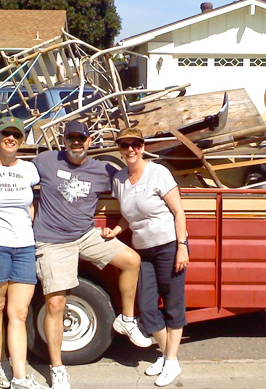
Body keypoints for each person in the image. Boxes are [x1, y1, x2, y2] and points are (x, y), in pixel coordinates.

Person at [32, 120, 152, 389]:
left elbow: (132, 188)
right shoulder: (45, 161)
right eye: (71, 138)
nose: (77, 143)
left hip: (86, 236)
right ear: (64, 141)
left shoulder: (104, 170)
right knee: (55, 304)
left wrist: (120, 225)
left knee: (132, 261)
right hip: (52, 241)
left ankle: (127, 320)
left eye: (81, 139)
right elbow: (15, 173)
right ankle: (57, 368)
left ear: (89, 142)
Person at [103, 128, 189, 387]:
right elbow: (128, 216)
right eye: (125, 145)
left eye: (135, 144)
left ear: (143, 146)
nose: (130, 149)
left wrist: (182, 246)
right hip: (144, 251)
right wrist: (116, 230)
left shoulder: (158, 173)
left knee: (173, 304)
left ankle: (171, 361)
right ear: (119, 148)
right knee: (147, 306)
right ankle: (167, 357)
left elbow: (179, 212)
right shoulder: (119, 179)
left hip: (168, 245)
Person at [0, 117, 42, 389]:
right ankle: (0, 362)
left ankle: (20, 375)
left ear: (22, 141)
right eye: (6, 133)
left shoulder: (30, 170)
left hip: (24, 246)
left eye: (16, 134)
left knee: (20, 313)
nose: (10, 138)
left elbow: (32, 204)